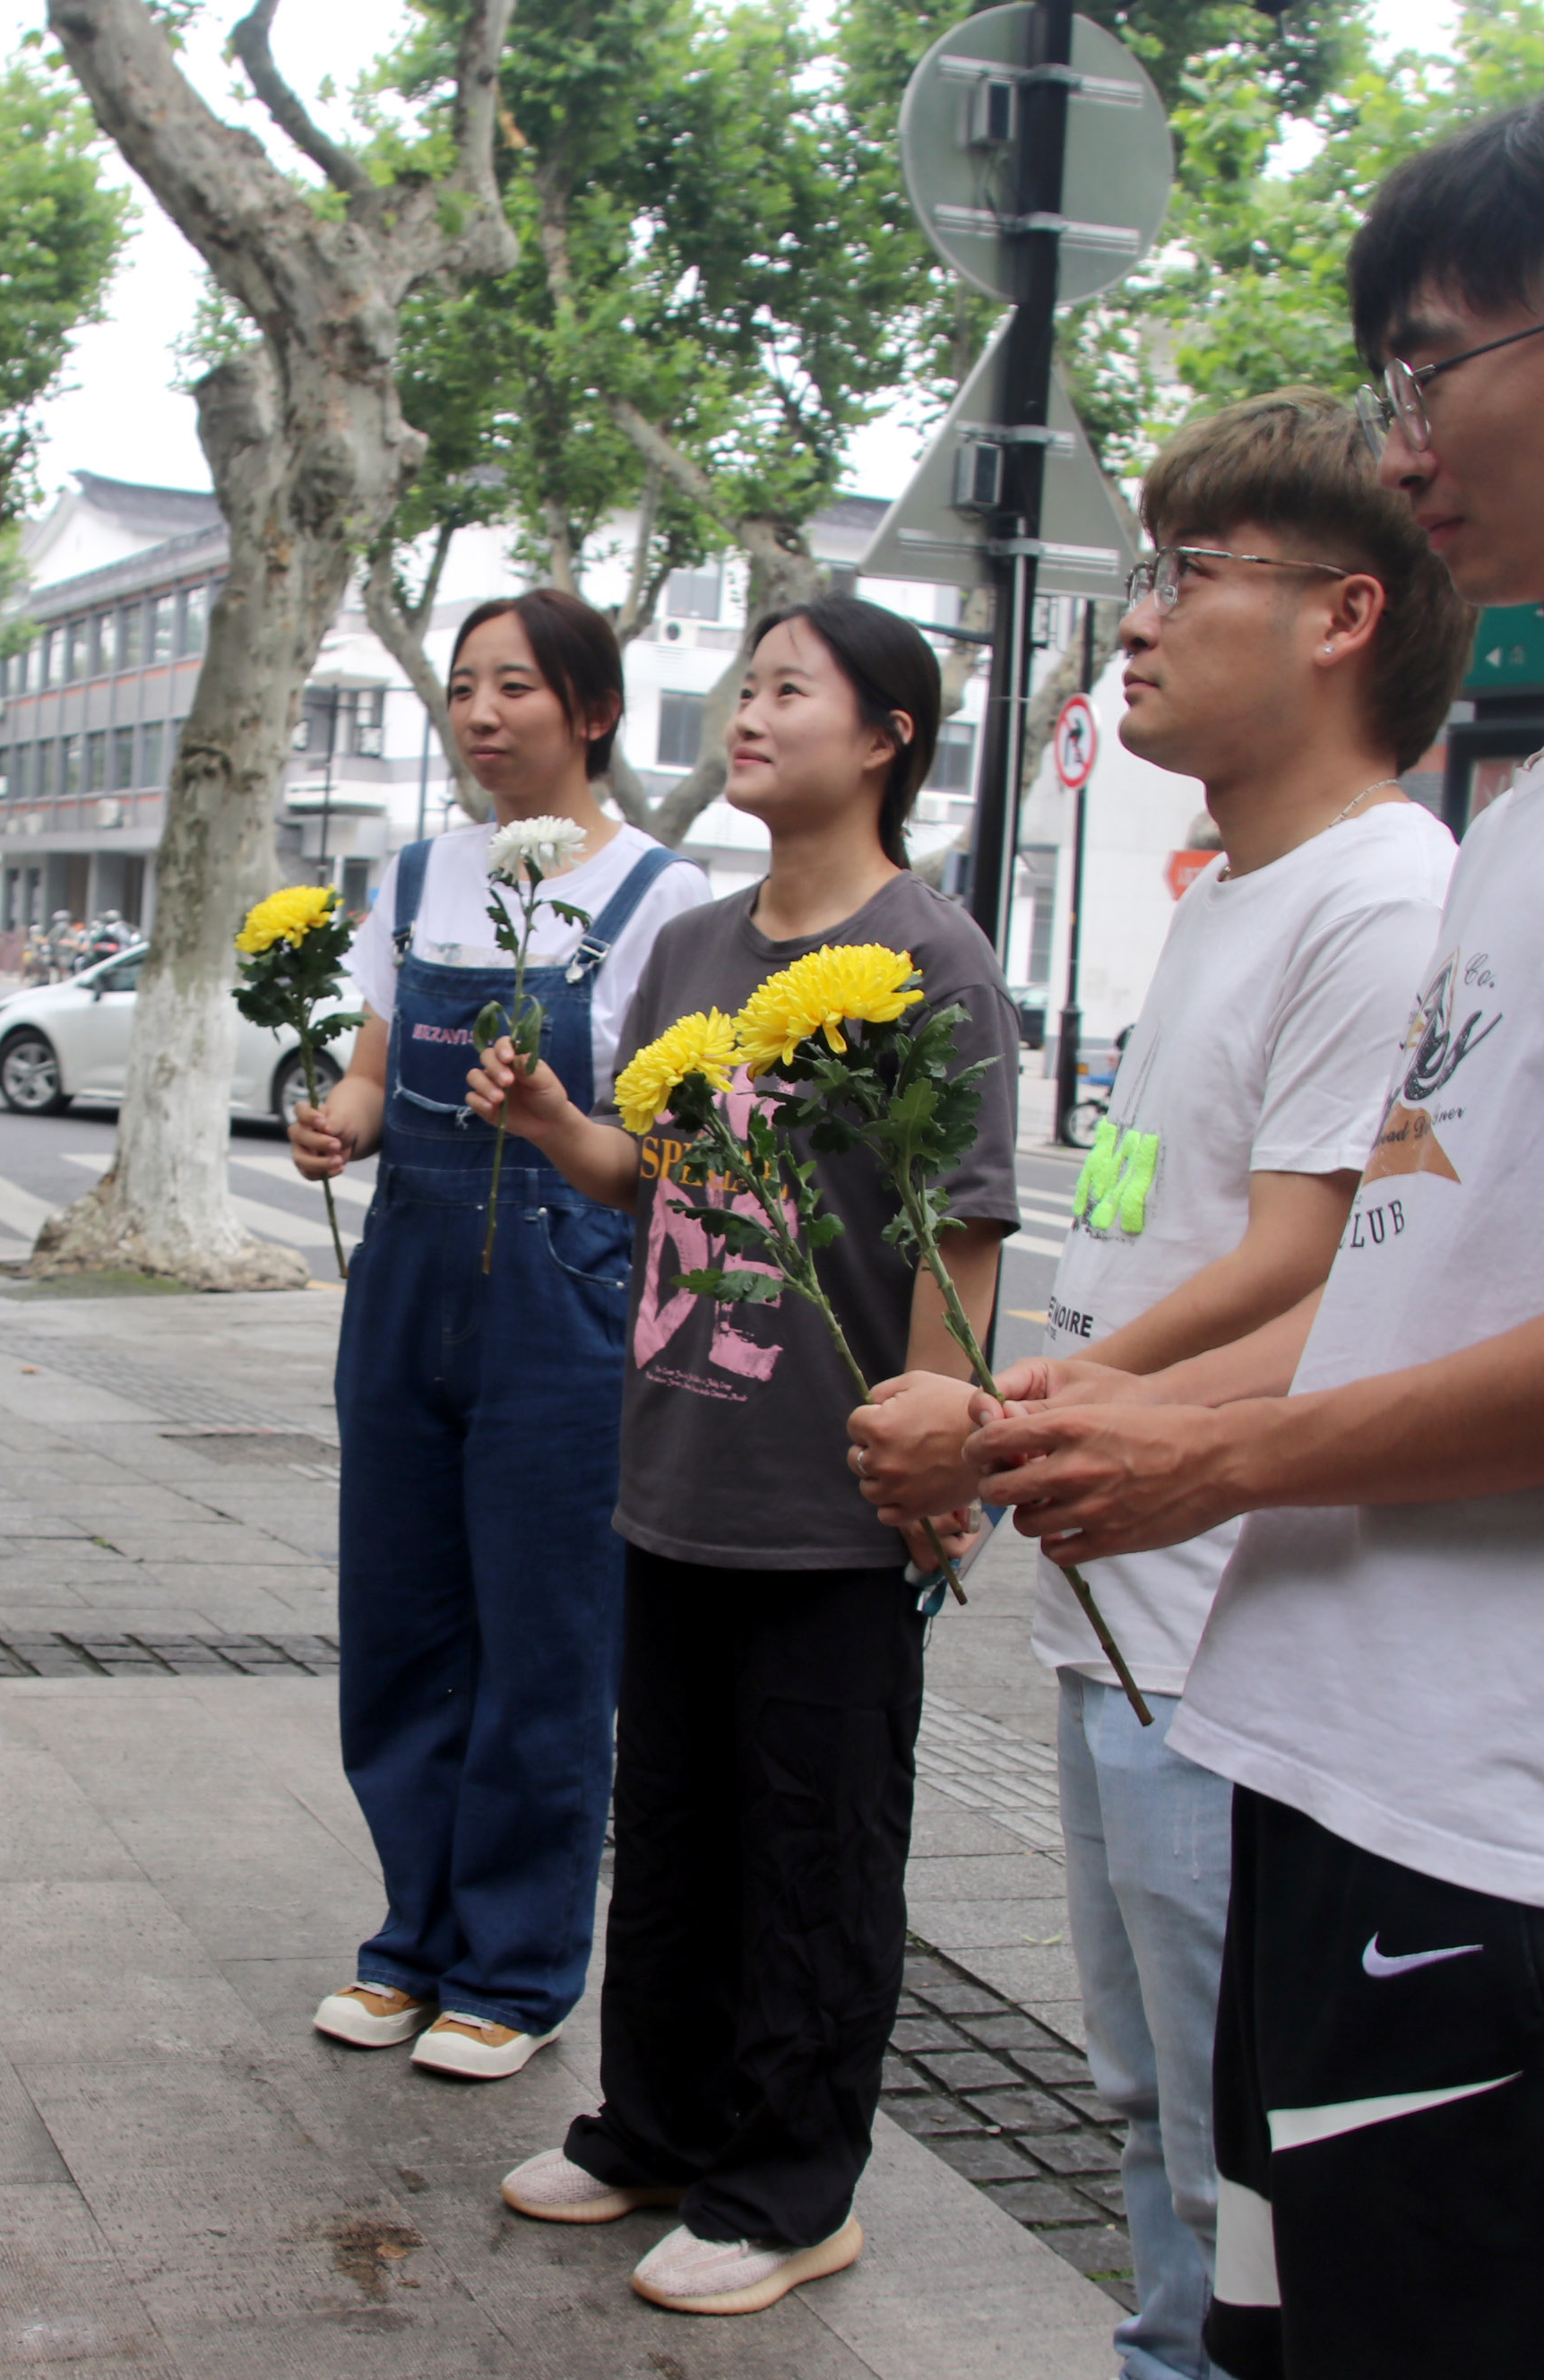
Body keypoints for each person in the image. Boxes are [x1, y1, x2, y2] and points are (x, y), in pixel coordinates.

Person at [967, 86, 1544, 2380]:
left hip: (1528, 1822)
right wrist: (1111, 1409)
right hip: (1365, 1761)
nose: (1405, 442)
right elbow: (1415, 1280)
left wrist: (1211, 1458)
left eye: (1436, 367)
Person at [853, 389, 1469, 2380]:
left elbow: (1311, 1265)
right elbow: (1174, 1224)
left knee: (1227, 2134)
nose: (1135, 618)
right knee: (1146, 2101)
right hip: (1125, 1592)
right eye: (1143, 570)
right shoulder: (1233, 891)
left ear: (1342, 615)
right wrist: (1031, 1424)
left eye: (1191, 572)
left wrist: (1005, 1418)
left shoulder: (1384, 893)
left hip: (1231, 1631)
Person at [462, 596, 1014, 2317]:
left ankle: (787, 2188)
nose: (747, 713)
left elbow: (959, 1229)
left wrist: (936, 1455)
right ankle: (651, 2128)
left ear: (887, 738)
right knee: (674, 1830)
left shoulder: (928, 957)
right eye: (744, 685)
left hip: (827, 1494)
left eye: (790, 688)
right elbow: (650, 1178)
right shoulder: (694, 948)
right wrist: (556, 1125)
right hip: (674, 1465)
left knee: (811, 1851)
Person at [288, 589, 714, 2084]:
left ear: (591, 710)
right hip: (406, 1285)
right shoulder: (417, 875)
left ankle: (515, 1970)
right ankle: (411, 1940)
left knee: (545, 1640)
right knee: (400, 1627)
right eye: (464, 684)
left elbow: (667, 1147)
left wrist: (551, 1122)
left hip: (564, 1300)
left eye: (514, 685)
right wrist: (337, 1123)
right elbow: (368, 1069)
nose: (479, 712)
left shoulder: (660, 893)